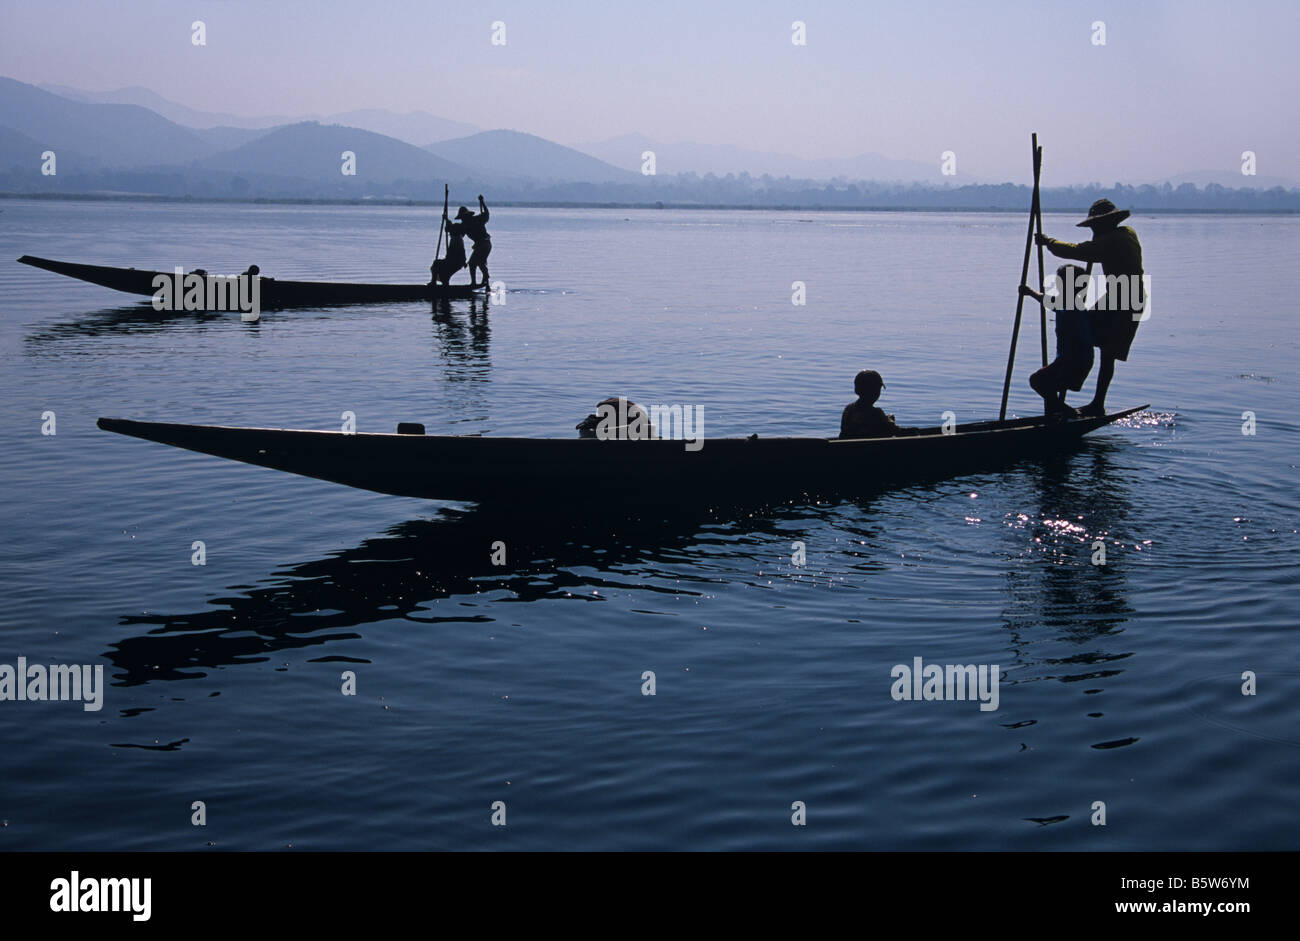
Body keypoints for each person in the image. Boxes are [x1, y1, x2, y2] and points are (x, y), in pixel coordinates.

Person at [1037, 198, 1145, 416]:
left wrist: (1048, 242)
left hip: (1128, 299)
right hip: (1116, 295)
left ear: (1107, 224)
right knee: (1080, 332)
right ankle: (1062, 388)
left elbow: (1077, 251)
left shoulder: (1115, 240)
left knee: (1108, 352)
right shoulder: (1124, 233)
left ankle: (1096, 404)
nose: (1094, 230)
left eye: (1096, 226)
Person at [1020, 264, 1094, 417]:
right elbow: (1047, 300)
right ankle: (1059, 413)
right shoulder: (1068, 304)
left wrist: (1029, 292)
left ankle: (1069, 413)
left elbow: (1049, 301)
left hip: (1075, 361)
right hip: (1073, 359)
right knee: (1046, 384)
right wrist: (1030, 292)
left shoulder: (1072, 306)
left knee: (1037, 380)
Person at [839, 370, 903, 439]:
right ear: (876, 391)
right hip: (869, 449)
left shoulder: (848, 410)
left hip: (847, 448)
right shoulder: (876, 413)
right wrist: (890, 421)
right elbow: (895, 431)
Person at [457, 195, 491, 288]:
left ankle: (484, 278)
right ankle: (478, 283)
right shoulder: (464, 225)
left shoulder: (477, 219)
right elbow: (458, 232)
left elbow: (487, 213)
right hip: (481, 245)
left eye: (463, 217)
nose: (463, 219)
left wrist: (482, 202)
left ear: (467, 216)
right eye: (462, 218)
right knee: (474, 263)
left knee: (477, 262)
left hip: (484, 244)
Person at [430, 217, 466, 286]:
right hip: (454, 261)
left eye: (451, 232)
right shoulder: (456, 237)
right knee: (444, 274)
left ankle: (434, 282)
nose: (450, 234)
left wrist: (463, 261)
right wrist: (446, 219)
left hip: (455, 262)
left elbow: (460, 253)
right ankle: (444, 284)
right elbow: (450, 226)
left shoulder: (457, 239)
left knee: (436, 264)